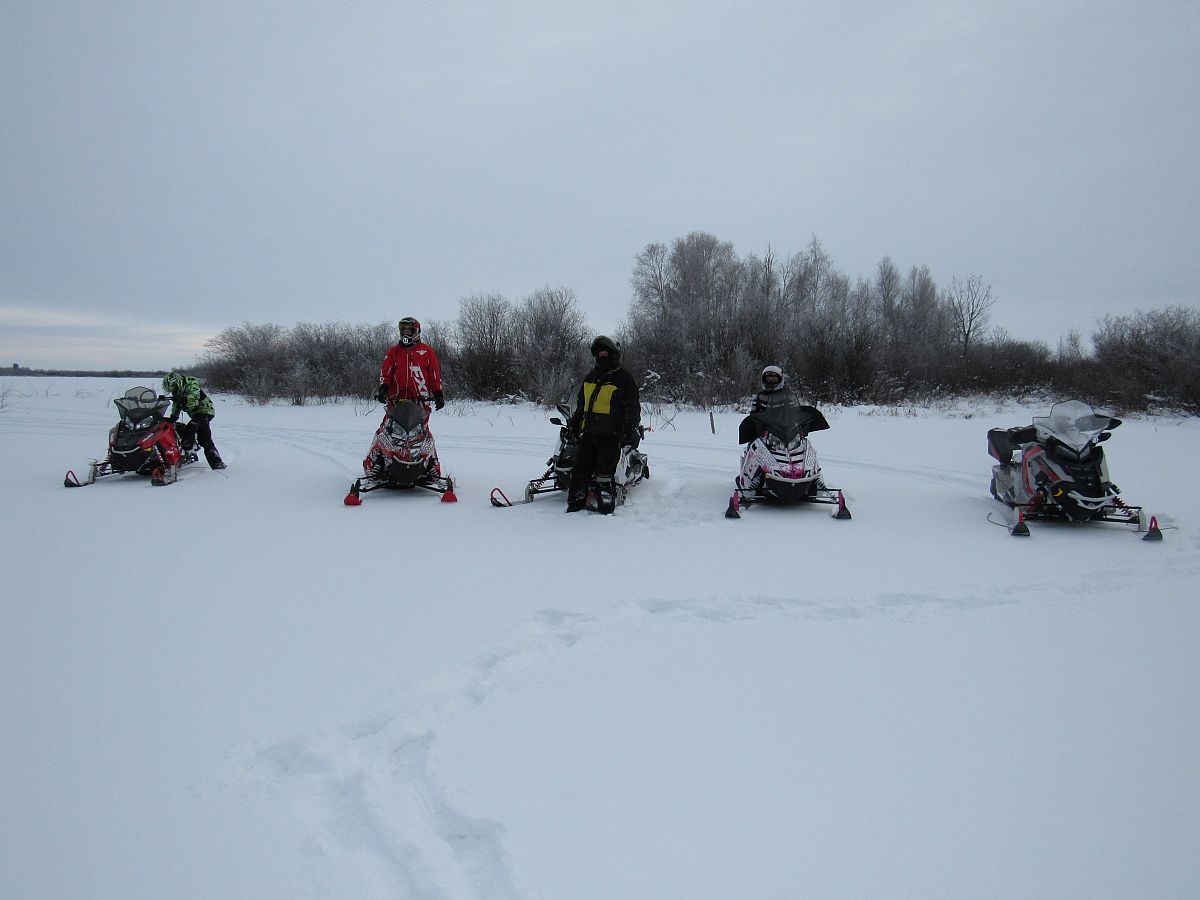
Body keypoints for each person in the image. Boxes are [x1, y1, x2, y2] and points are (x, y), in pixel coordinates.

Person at [565, 335, 641, 514]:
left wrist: (629, 431)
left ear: (614, 354)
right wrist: (574, 426)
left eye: (605, 353)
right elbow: (582, 405)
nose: (602, 356)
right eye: (599, 353)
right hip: (588, 433)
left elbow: (633, 408)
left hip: (611, 435)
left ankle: (605, 511)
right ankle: (574, 506)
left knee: (604, 475)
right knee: (579, 472)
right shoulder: (591, 377)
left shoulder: (624, 379)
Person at [375, 317, 445, 421]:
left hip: (420, 402)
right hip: (396, 401)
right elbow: (386, 372)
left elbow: (434, 374)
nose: (406, 334)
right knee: (386, 431)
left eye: (409, 331)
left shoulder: (427, 351)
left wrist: (438, 393)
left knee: (421, 432)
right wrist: (383, 388)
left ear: (416, 332)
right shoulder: (393, 351)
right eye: (404, 331)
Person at [161, 372, 226, 469]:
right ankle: (217, 463)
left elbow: (193, 403)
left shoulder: (191, 386)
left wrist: (182, 399)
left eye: (173, 387)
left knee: (191, 426)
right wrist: (172, 416)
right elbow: (176, 406)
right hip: (196, 415)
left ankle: (187, 449)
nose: (173, 390)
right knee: (205, 439)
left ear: (177, 383)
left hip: (206, 412)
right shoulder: (178, 392)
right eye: (170, 389)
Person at [740, 365, 792, 443]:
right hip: (763, 431)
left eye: (774, 379)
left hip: (782, 430)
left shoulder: (787, 396)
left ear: (780, 379)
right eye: (768, 379)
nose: (770, 382)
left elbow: (793, 413)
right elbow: (753, 414)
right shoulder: (760, 396)